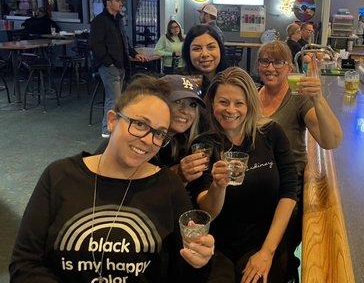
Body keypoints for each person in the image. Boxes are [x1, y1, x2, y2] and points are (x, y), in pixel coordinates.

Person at [10, 75, 215, 282]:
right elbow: (24, 263)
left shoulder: (169, 187)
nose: (147, 140)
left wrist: (199, 262)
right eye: (139, 124)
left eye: (159, 133)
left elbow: (184, 272)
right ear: (112, 120)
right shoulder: (59, 176)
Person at [192, 67, 298, 283]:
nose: (230, 109)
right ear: (212, 104)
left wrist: (267, 252)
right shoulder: (203, 145)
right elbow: (206, 212)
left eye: (239, 103)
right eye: (223, 102)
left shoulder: (271, 134)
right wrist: (218, 186)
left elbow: (289, 192)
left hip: (265, 241)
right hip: (217, 244)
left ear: (249, 104)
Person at [256, 40, 342, 268]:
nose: (270, 67)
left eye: (278, 62)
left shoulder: (298, 99)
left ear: (289, 68)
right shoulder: (253, 96)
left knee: (278, 259)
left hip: (285, 189)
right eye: (265, 61)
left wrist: (318, 99)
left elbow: (331, 140)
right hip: (259, 185)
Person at [90, 0, 148, 138]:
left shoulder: (119, 20)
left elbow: (125, 40)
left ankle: (113, 125)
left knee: (116, 97)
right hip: (109, 66)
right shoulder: (99, 21)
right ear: (108, 3)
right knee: (113, 98)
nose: (121, 4)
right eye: (117, 1)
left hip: (121, 64)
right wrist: (108, 62)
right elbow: (96, 45)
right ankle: (107, 129)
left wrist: (134, 54)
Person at [180, 24, 227, 97]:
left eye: (211, 47)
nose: (205, 54)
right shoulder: (179, 83)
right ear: (188, 53)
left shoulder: (232, 81)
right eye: (197, 49)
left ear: (220, 49)